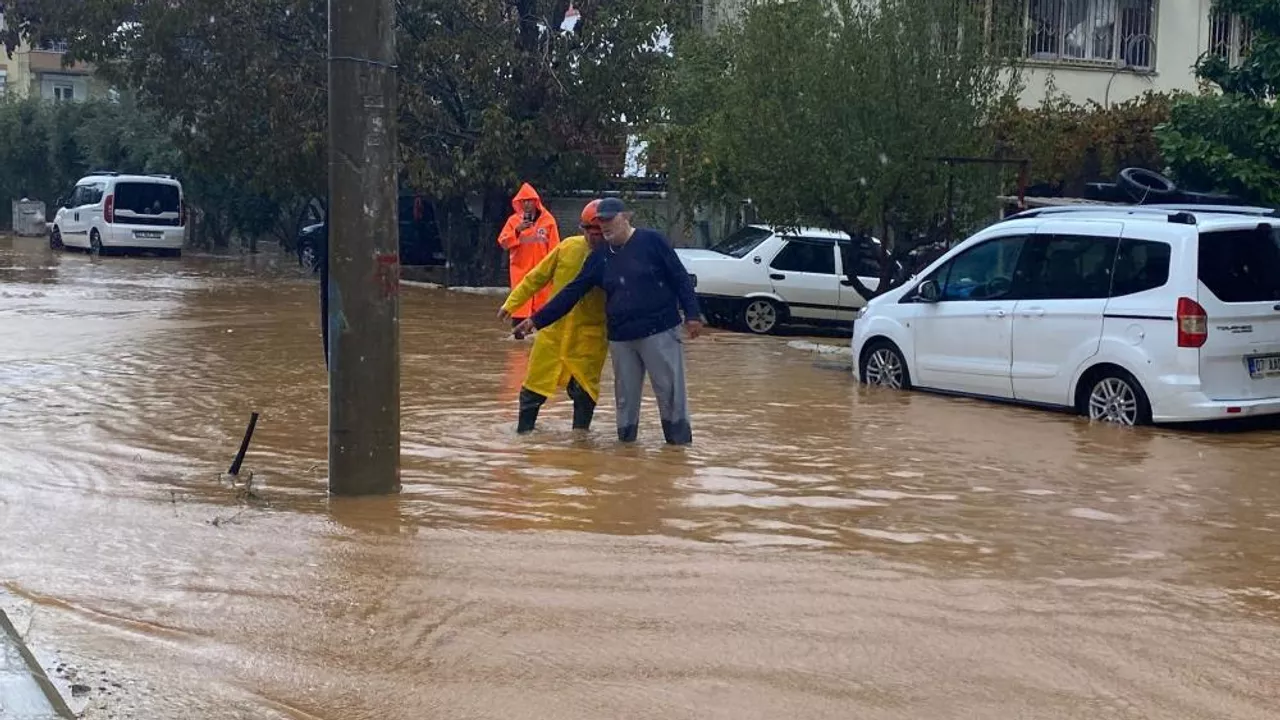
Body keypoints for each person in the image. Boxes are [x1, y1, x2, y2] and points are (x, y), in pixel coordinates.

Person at [515, 198, 703, 445]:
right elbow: (572, 292)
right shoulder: (600, 257)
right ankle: (627, 450)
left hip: (659, 331)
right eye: (600, 221)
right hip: (621, 338)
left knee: (670, 393)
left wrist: (692, 315)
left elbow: (679, 277)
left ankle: (678, 449)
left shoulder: (652, 241)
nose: (604, 225)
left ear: (626, 217)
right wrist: (535, 321)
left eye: (609, 219)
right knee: (625, 399)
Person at [498, 200, 610, 434]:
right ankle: (524, 436)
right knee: (533, 389)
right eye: (592, 232)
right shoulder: (568, 248)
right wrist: (512, 303)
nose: (596, 238)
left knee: (584, 392)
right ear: (583, 230)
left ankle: (580, 442)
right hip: (553, 333)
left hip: (589, 337)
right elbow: (536, 277)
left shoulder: (615, 256)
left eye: (601, 233)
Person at [497, 183, 561, 325]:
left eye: (529, 200)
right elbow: (503, 243)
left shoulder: (548, 221)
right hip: (521, 274)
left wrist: (555, 272)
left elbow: (555, 248)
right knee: (520, 311)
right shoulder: (513, 221)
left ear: (535, 201)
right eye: (523, 201)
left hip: (542, 274)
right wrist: (517, 231)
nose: (526, 204)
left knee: (541, 315)